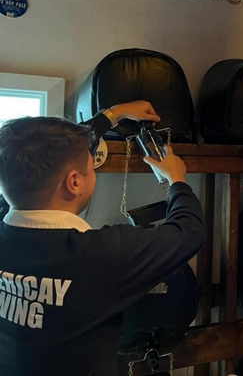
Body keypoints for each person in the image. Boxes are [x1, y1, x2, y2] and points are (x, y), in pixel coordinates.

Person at [0, 101, 206, 376]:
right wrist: (176, 180)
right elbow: (189, 230)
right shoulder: (102, 255)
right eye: (90, 167)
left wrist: (114, 115)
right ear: (74, 182)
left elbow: (51, 150)